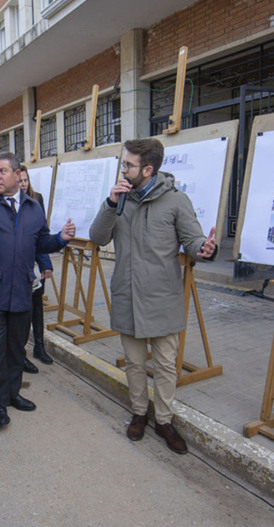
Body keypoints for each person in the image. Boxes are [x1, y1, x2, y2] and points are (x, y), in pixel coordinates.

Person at [89, 138, 217, 455]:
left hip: (163, 298)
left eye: (129, 165)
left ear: (147, 169)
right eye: (124, 163)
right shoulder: (118, 200)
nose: (123, 169)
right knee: (134, 363)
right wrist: (109, 203)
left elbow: (194, 240)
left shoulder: (176, 201)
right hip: (127, 296)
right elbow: (97, 237)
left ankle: (164, 421)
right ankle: (139, 413)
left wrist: (205, 249)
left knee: (165, 365)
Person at [0, 150, 75, 429]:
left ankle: (13, 394)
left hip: (22, 290)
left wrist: (60, 239)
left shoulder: (33, 206)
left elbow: (41, 242)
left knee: (15, 348)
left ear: (17, 175)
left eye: (2, 171)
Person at [18, 165, 53, 370]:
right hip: (21, 266)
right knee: (25, 308)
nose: (23, 184)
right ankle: (20, 353)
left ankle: (39, 346)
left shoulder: (36, 199)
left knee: (37, 304)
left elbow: (41, 235)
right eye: (20, 180)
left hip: (36, 263)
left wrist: (46, 264)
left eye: (25, 180)